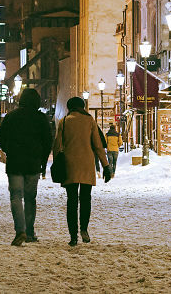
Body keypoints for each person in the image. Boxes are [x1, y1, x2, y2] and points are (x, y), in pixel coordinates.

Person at [0, 88, 52, 246]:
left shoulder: (11, 116)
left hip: (15, 162)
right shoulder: (40, 118)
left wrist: (10, 149)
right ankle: (29, 232)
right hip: (33, 163)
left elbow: (1, 138)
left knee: (15, 196)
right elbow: (48, 141)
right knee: (30, 198)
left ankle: (19, 230)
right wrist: (42, 159)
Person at [53, 96, 111, 246]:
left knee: (71, 201)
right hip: (86, 165)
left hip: (69, 165)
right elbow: (98, 145)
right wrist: (105, 165)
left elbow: (57, 145)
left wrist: (55, 163)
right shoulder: (89, 120)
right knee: (85, 199)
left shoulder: (64, 121)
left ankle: (73, 236)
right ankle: (84, 229)